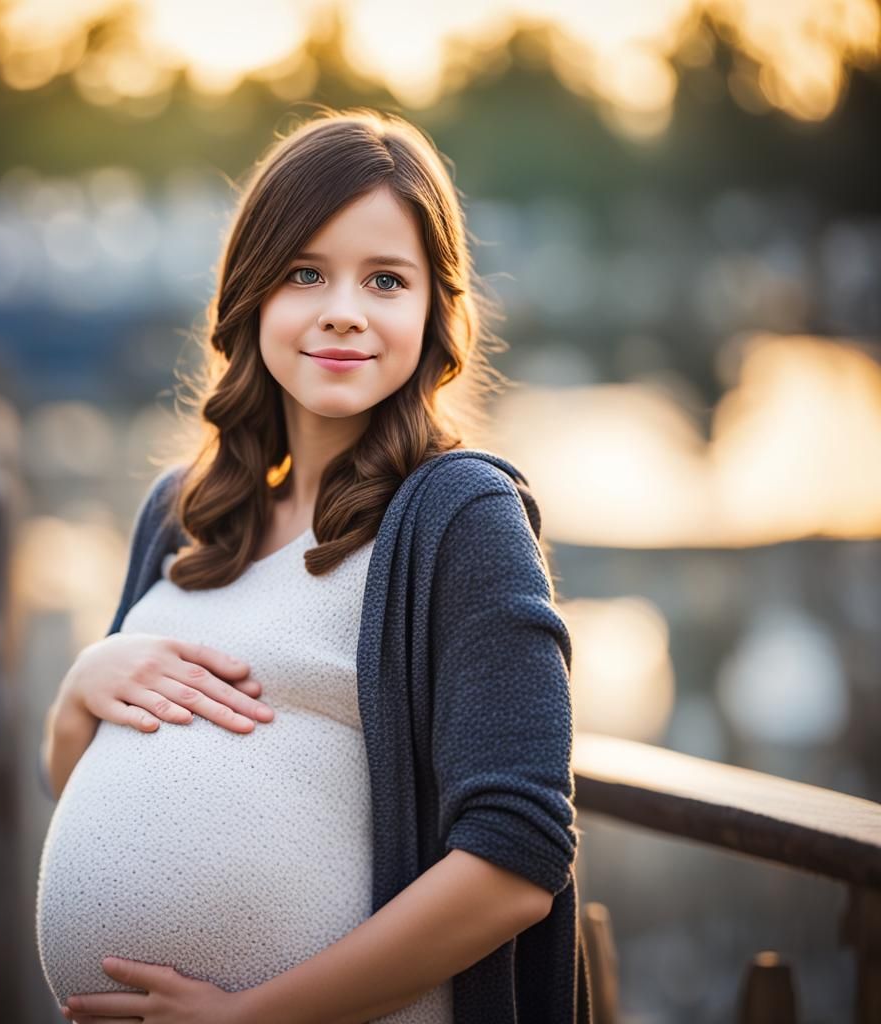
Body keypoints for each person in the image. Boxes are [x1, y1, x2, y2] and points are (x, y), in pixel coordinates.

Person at [36, 106, 590, 1023]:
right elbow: (83, 785)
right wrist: (80, 689)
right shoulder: (180, 518)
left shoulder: (463, 516)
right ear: (252, 294)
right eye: (305, 273)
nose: (343, 311)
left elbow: (517, 859)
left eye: (385, 279)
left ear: (433, 311)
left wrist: (253, 1016)